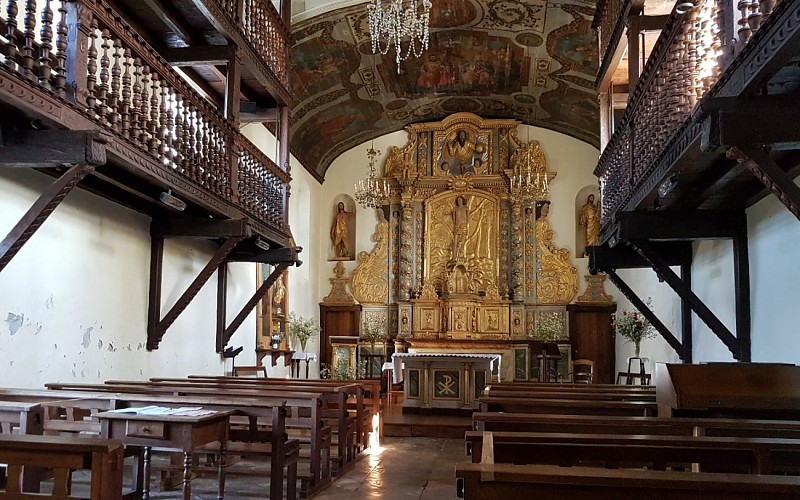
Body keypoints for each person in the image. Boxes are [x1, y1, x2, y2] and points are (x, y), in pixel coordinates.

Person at [451, 196, 469, 261]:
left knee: (463, 242)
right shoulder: (455, 209)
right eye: (458, 200)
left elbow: (468, 218)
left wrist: (464, 224)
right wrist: (457, 224)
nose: (459, 201)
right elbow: (454, 219)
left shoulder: (465, 208)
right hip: (457, 226)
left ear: (462, 201)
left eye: (460, 200)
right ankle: (454, 257)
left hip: (463, 226)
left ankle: (462, 256)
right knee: (455, 241)